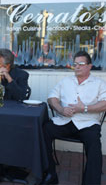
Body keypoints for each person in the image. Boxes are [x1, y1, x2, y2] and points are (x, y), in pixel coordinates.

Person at [42, 51, 106, 185]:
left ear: (90, 66)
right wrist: (61, 109)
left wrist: (85, 108)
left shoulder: (99, 83)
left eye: (81, 64)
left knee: (94, 144)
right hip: (65, 121)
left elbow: (104, 103)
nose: (77, 67)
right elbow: (51, 97)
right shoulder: (66, 81)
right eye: (75, 64)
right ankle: (50, 174)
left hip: (87, 124)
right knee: (43, 131)